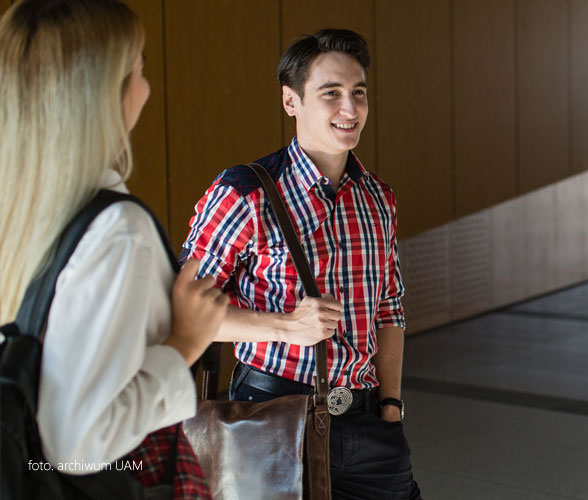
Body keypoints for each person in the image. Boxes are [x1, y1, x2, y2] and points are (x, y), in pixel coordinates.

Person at [180, 29, 421, 500]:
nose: (349, 110)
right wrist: (287, 326)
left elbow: (390, 309)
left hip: (370, 424)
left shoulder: (377, 198)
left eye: (358, 94)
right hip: (273, 414)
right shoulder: (245, 193)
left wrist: (390, 406)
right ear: (291, 101)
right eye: (330, 94)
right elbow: (185, 311)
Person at [0, 0, 225, 497]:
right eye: (139, 66)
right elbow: (77, 444)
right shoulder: (117, 231)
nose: (146, 85)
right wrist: (185, 345)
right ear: (105, 94)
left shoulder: (19, 208)